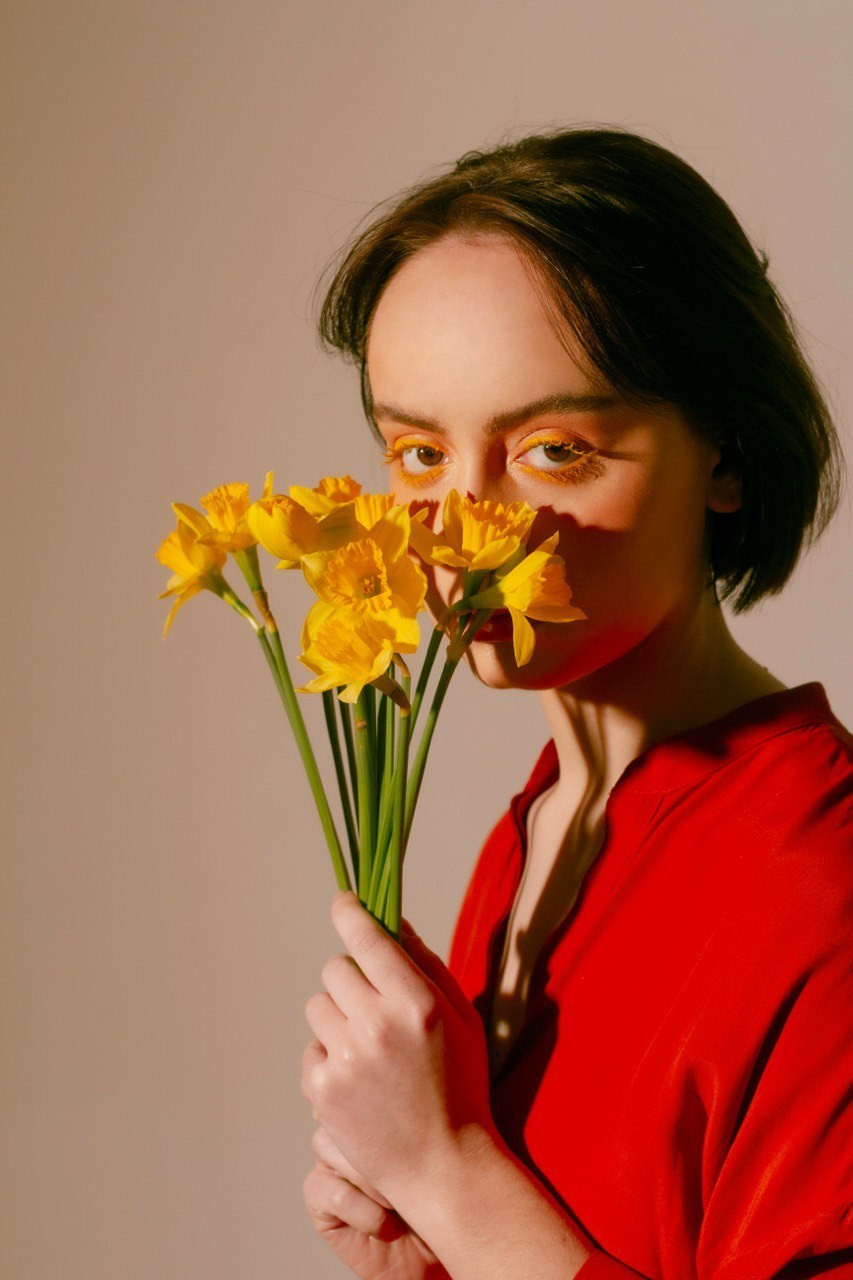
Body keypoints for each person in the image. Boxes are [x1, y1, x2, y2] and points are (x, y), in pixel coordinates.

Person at [299, 127, 852, 1279]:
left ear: (726, 454)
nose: (461, 531)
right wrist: (427, 1244)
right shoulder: (537, 830)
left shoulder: (820, 879)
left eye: (553, 449)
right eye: (415, 453)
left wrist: (451, 1168)